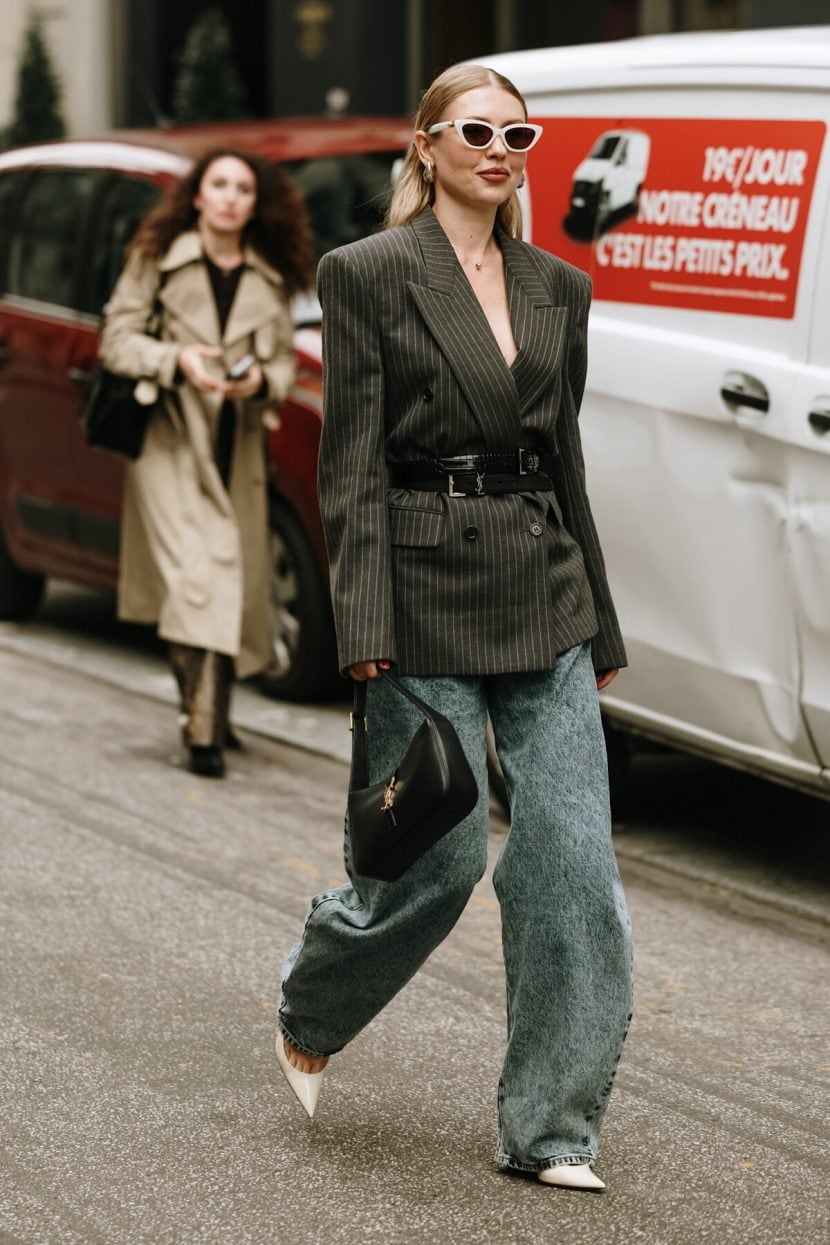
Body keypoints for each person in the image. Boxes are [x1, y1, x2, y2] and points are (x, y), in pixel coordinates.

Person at [276, 65, 634, 1191]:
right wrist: (362, 628)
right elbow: (351, 468)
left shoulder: (557, 287)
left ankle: (550, 1128)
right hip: (420, 595)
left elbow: (563, 463)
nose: (497, 147)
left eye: (514, 131)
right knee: (428, 865)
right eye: (474, 130)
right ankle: (314, 998)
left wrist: (604, 627)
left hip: (547, 593)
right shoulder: (368, 275)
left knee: (573, 867)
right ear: (425, 145)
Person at [99, 149, 313, 778]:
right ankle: (203, 731)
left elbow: (282, 364)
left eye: (242, 188)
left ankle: (207, 710)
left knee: (219, 579)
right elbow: (116, 340)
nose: (228, 197)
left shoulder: (270, 278)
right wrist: (176, 361)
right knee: (200, 576)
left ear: (255, 203)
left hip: (235, 447)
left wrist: (258, 383)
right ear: (197, 195)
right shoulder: (156, 263)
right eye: (217, 184)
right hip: (170, 442)